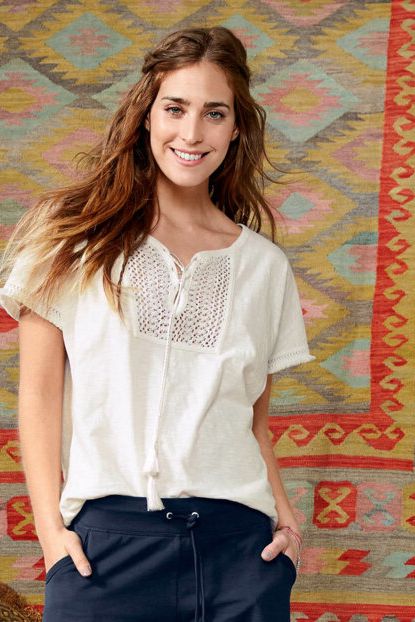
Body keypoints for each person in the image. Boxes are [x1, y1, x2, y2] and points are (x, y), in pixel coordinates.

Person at [0, 26, 315, 622]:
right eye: (175, 108)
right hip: (105, 550)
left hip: (240, 554)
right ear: (146, 115)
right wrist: (50, 534)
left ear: (236, 128)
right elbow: (38, 397)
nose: (192, 133)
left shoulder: (264, 267)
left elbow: (254, 421)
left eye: (214, 113)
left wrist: (287, 522)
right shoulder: (70, 236)